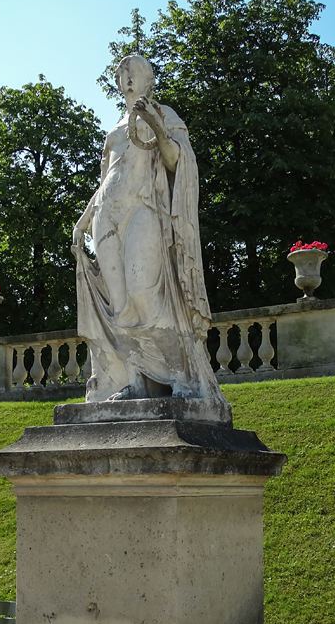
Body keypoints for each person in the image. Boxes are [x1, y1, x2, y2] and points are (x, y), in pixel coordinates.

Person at [72, 54, 227, 411]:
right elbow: (104, 183)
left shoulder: (166, 115)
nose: (127, 78)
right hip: (106, 218)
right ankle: (137, 379)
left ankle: (180, 376)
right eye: (122, 73)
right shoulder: (114, 130)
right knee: (121, 307)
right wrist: (83, 222)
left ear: (149, 80)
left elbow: (178, 162)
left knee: (146, 293)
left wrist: (157, 129)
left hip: (144, 210)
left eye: (135, 73)